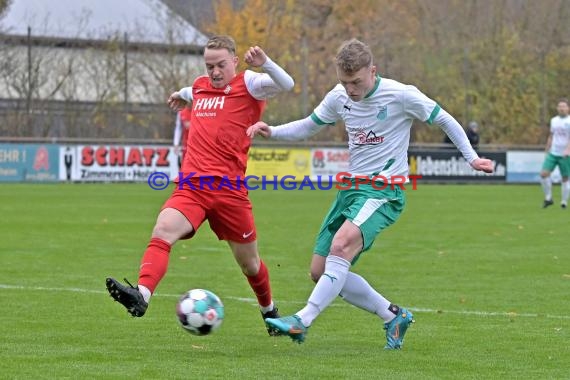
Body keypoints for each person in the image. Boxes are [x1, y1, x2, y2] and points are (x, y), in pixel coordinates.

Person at [247, 38, 494, 349]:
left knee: (340, 246)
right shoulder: (339, 96)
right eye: (345, 81)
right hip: (351, 190)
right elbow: (310, 125)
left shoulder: (401, 95)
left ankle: (302, 320)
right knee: (319, 270)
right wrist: (274, 130)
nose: (350, 89)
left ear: (372, 71)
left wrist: (470, 157)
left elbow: (443, 118)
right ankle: (393, 315)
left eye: (356, 81)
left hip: (384, 191)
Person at [106, 35, 295, 336]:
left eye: (221, 65)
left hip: (230, 191)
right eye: (210, 66)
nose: (215, 72)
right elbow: (191, 90)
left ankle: (269, 311)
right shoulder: (200, 86)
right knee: (163, 230)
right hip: (193, 185)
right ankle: (142, 294)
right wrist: (181, 95)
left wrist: (266, 64)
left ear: (234, 60)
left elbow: (287, 85)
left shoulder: (250, 83)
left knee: (250, 264)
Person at [540, 98, 570, 209]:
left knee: (565, 178)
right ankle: (548, 198)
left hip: (565, 154)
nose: (561, 108)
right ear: (557, 108)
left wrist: (568, 150)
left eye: (564, 106)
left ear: (568, 108)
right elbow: (551, 136)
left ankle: (564, 201)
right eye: (560, 106)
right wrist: (547, 149)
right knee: (544, 174)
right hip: (553, 152)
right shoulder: (554, 120)